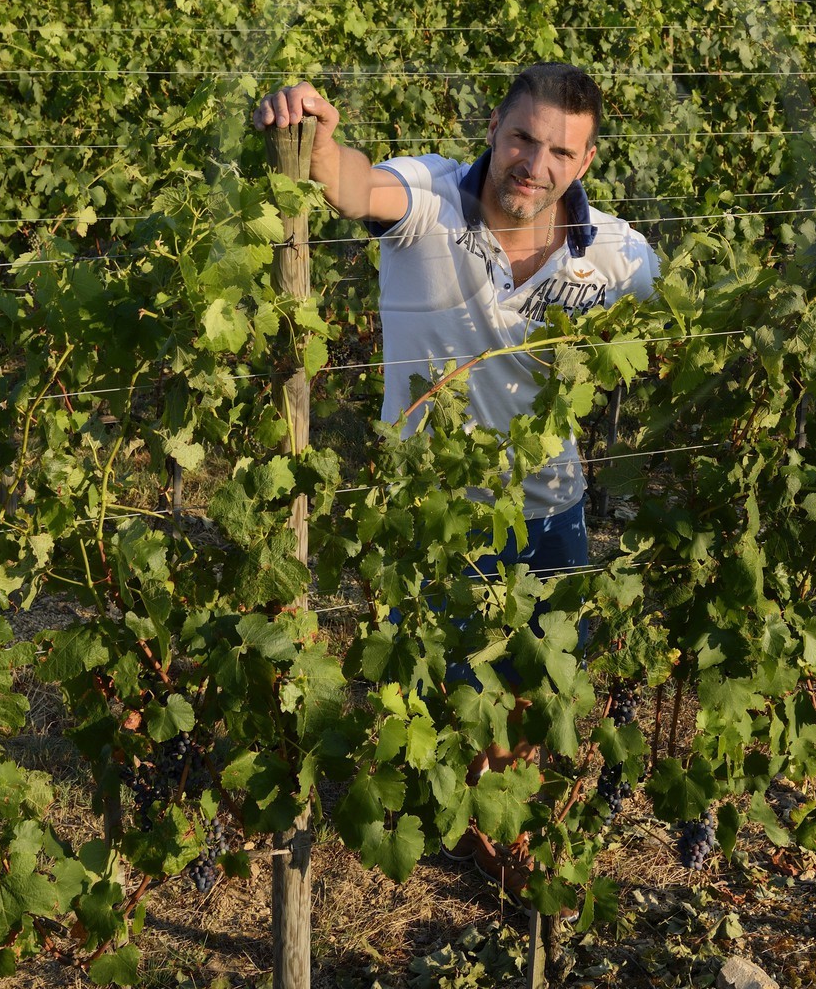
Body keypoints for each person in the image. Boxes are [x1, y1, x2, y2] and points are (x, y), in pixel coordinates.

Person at [253, 62, 657, 886]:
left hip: (554, 510)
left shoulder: (614, 255)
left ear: (583, 164)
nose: (533, 164)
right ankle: (482, 836)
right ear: (494, 133)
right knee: (454, 701)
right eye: (521, 139)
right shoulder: (429, 203)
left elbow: (684, 323)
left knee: (544, 689)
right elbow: (359, 186)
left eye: (558, 152)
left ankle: (518, 827)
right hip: (436, 523)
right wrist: (319, 146)